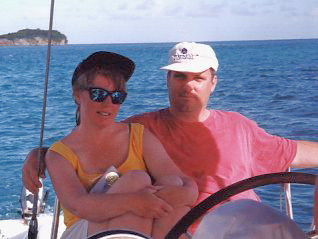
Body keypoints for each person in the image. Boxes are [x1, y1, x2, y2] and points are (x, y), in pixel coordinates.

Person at [23, 42, 318, 237]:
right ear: (167, 80)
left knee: (271, 225)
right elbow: (92, 134)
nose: (188, 86)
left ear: (213, 83)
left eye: (197, 78)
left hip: (235, 221)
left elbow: (292, 151)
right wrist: (42, 153)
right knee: (143, 184)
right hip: (187, 225)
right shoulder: (142, 127)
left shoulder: (240, 127)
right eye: (179, 76)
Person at [42, 51, 198, 239]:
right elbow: (79, 205)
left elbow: (183, 182)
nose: (108, 103)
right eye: (98, 94)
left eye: (117, 96)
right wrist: (134, 202)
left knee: (172, 185)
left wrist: (186, 193)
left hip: (134, 228)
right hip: (83, 230)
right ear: (77, 95)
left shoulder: (138, 136)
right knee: (136, 180)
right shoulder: (59, 154)